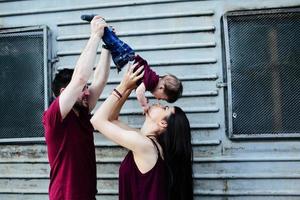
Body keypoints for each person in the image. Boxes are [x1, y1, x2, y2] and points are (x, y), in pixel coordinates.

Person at [90, 63, 193, 200]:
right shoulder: (149, 144)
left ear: (163, 123)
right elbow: (111, 119)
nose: (159, 103)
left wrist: (123, 86)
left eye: (164, 108)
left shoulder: (145, 146)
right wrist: (130, 87)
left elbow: (96, 120)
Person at [42, 16, 111, 200]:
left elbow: (101, 80)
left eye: (86, 88)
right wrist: (95, 35)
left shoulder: (82, 112)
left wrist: (107, 45)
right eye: (83, 90)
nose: (87, 92)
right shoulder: (54, 117)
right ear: (65, 92)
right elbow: (80, 77)